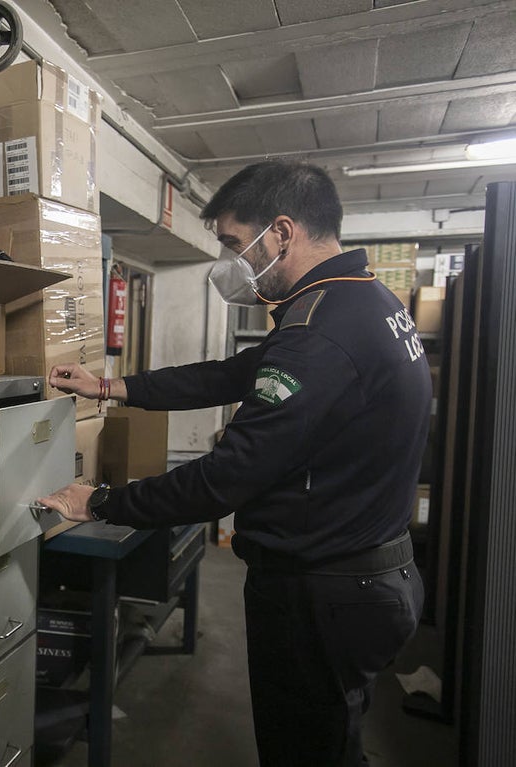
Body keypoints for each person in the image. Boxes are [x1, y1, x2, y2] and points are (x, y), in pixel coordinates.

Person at [37, 161, 429, 767]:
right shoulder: (361, 303)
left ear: (281, 232)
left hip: (322, 590)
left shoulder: (320, 333)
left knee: (304, 751)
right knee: (334, 738)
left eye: (230, 243)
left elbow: (225, 478)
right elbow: (229, 374)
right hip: (371, 572)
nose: (230, 263)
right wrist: (113, 387)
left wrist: (100, 502)